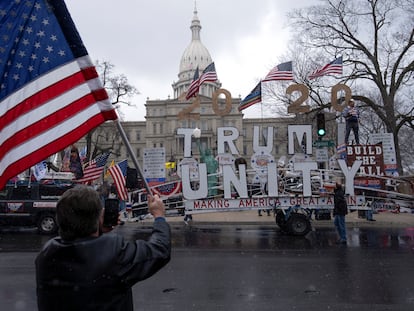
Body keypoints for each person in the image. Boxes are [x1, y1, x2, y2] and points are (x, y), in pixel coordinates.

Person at [35, 185, 171, 311]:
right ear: (98, 217)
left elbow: (79, 241)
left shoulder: (46, 256)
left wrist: (96, 229)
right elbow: (159, 250)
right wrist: (159, 216)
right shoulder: (112, 252)